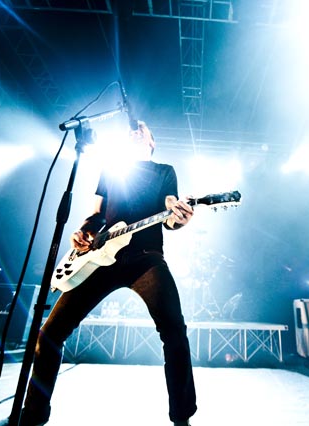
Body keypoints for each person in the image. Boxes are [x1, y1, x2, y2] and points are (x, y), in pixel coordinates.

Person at [11, 121, 197, 426]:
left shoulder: (165, 171)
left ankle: (182, 417)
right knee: (50, 333)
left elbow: (169, 211)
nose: (134, 130)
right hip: (99, 258)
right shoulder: (111, 170)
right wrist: (82, 232)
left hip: (145, 257)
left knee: (174, 331)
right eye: (132, 129)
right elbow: (96, 213)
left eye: (141, 128)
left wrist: (179, 218)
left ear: (152, 141)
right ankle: (33, 414)